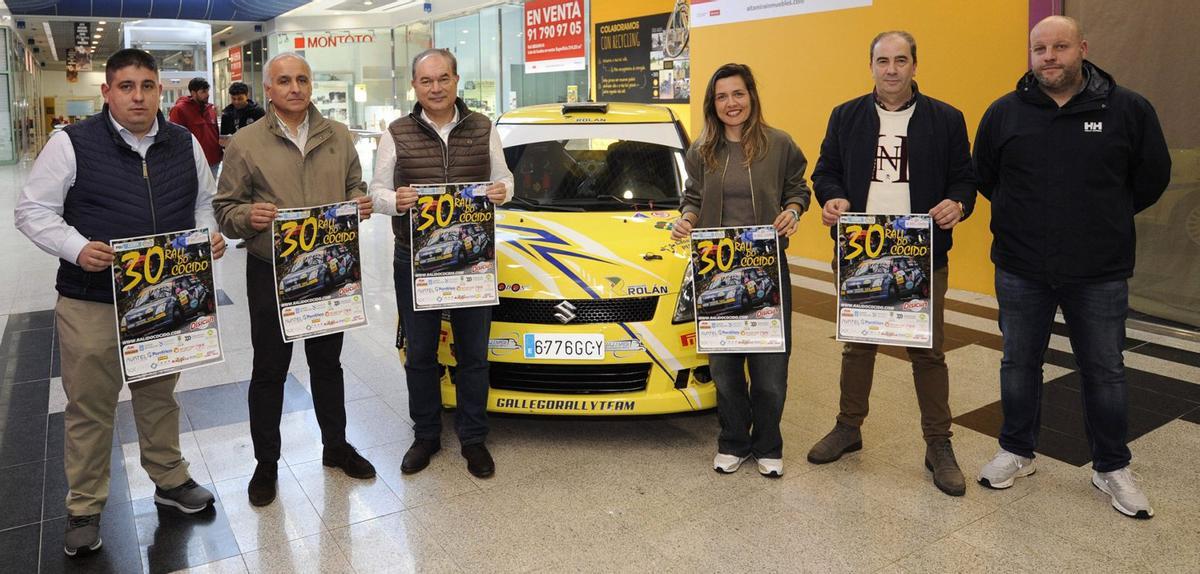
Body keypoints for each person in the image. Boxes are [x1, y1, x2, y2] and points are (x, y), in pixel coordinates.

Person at [15, 48, 224, 557]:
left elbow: (204, 202)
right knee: (90, 405)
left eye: (147, 86)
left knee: (159, 395)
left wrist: (209, 236)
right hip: (92, 299)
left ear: (160, 91)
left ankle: (170, 481)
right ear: (107, 92)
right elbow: (32, 211)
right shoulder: (72, 143)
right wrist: (76, 248)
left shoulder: (183, 143)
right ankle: (85, 506)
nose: (138, 96)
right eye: (126, 86)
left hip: (164, 294)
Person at [974, 16, 1170, 518]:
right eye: (1040, 48)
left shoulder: (1127, 109)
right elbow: (987, 178)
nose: (1050, 57)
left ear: (1082, 48)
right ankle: (1017, 451)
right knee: (1019, 364)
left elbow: (1150, 179)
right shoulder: (1004, 113)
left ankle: (1111, 467)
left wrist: (1101, 219)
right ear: (1031, 54)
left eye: (1060, 46)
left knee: (1104, 370)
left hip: (1099, 270)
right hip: (1021, 266)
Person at [806, 31, 977, 496]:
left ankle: (939, 444)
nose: (892, 69)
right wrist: (833, 196)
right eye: (883, 61)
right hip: (862, 251)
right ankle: (848, 428)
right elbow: (825, 171)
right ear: (871, 66)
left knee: (928, 351)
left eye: (901, 60)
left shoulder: (946, 119)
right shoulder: (846, 117)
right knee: (858, 347)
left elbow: (965, 179)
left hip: (921, 253)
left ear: (915, 65)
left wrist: (957, 204)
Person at [213, 52, 376, 507]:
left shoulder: (339, 136)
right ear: (268, 89)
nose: (295, 88)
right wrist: (249, 215)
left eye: (302, 79)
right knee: (269, 370)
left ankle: (336, 448)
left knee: (328, 365)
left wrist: (358, 201)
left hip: (328, 269)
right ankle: (266, 465)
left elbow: (354, 185)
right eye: (284, 80)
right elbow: (225, 211)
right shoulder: (245, 142)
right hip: (270, 270)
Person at [368, 48, 512, 479]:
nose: (435, 87)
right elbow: (375, 192)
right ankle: (426, 435)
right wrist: (397, 200)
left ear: (456, 80)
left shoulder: (483, 127)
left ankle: (473, 438)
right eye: (426, 81)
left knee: (473, 354)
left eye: (443, 79)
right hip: (414, 258)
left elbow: (505, 178)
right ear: (415, 86)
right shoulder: (396, 132)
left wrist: (504, 191)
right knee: (421, 353)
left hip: (471, 259)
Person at [671, 63, 811, 477]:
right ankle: (733, 441)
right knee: (726, 371)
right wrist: (687, 219)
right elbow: (692, 197)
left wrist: (793, 209)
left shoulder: (780, 144)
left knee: (770, 372)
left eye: (738, 94)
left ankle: (768, 443)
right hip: (716, 272)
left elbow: (798, 187)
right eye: (722, 97)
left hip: (767, 272)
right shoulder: (702, 151)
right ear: (712, 105)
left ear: (751, 96)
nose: (731, 103)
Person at [169, 77, 222, 178]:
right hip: (193, 164)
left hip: (214, 161)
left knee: (212, 193)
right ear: (193, 93)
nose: (207, 94)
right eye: (203, 92)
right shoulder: (179, 110)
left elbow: (215, 134)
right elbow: (175, 138)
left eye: (207, 91)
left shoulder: (211, 109)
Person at [219, 81, 266, 146]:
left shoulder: (257, 112)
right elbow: (223, 137)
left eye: (240, 99)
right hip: (234, 150)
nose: (236, 102)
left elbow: (265, 133)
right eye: (233, 99)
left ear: (247, 96)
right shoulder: (227, 114)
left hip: (254, 149)